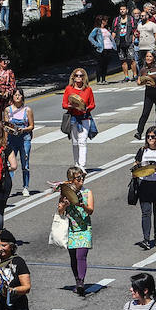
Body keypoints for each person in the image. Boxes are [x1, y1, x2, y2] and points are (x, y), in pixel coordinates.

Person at [57, 166, 95, 296]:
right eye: (79, 177)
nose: (82, 179)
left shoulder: (87, 192)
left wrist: (82, 205)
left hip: (84, 228)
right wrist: (64, 206)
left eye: (83, 177)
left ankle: (81, 282)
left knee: (81, 256)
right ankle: (77, 280)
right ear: (71, 179)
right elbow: (60, 211)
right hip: (71, 228)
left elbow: (91, 210)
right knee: (73, 257)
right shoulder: (65, 193)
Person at [62, 68, 96, 170]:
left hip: (85, 118)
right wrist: (70, 106)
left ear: (84, 77)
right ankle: (76, 164)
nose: (79, 77)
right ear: (73, 77)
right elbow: (64, 104)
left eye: (81, 75)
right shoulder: (68, 89)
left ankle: (82, 166)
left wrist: (85, 108)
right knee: (75, 142)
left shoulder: (88, 90)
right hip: (73, 118)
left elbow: (92, 104)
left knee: (82, 141)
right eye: (77, 75)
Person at [4, 88, 34, 196]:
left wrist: (23, 130)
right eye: (15, 95)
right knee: (10, 164)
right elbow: (6, 126)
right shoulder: (8, 110)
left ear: (22, 97)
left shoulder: (27, 110)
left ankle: (25, 187)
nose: (17, 97)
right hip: (12, 139)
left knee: (25, 163)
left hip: (24, 138)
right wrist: (5, 140)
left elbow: (31, 126)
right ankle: (7, 187)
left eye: (19, 95)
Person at [134, 50, 156, 141]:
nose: (148, 58)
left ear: (153, 58)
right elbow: (139, 81)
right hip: (149, 93)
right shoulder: (143, 69)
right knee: (145, 113)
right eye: (147, 56)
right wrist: (142, 82)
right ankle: (139, 132)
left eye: (150, 56)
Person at [88, 15, 115, 83]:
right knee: (100, 64)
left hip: (109, 48)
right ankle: (98, 80)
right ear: (102, 21)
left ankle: (103, 79)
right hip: (102, 49)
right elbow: (90, 37)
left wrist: (113, 45)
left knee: (105, 65)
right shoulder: (97, 29)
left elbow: (110, 38)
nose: (106, 22)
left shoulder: (106, 29)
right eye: (105, 20)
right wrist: (98, 45)